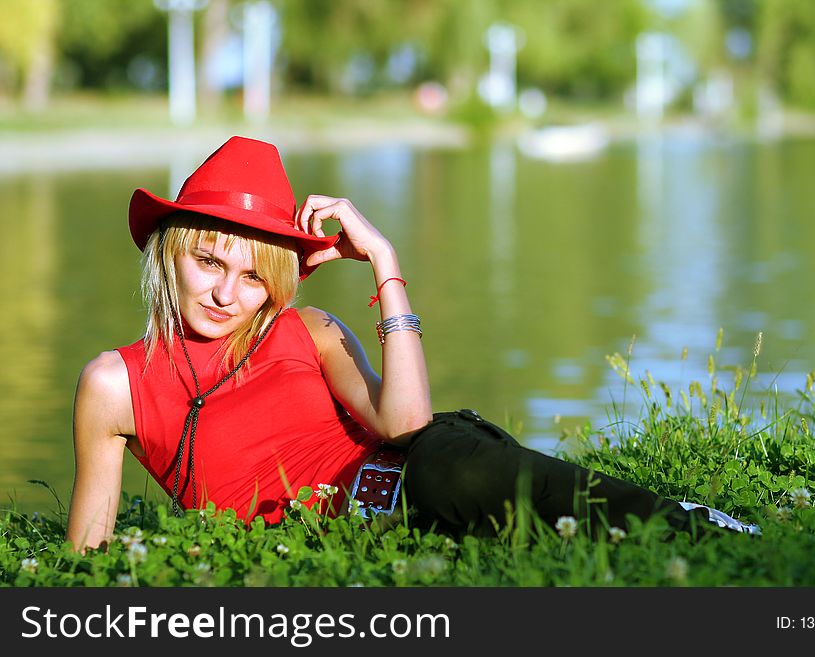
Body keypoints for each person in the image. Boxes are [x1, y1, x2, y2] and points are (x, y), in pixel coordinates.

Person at [66, 136, 759, 552]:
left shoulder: (304, 330)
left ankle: (695, 525)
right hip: (370, 538)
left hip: (422, 471)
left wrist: (384, 260)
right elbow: (88, 552)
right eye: (209, 262)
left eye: (254, 276)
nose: (226, 293)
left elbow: (404, 424)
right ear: (169, 253)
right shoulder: (113, 384)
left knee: (449, 473)